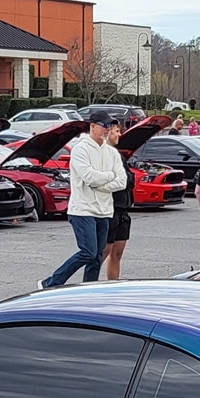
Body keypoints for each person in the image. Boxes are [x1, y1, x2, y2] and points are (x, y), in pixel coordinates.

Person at [40, 118, 126, 288]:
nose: (107, 129)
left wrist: (101, 184)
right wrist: (110, 176)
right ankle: (51, 282)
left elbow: (122, 181)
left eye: (109, 126)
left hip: (104, 210)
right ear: (92, 126)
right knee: (88, 252)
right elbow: (89, 177)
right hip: (82, 209)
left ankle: (89, 289)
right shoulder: (80, 149)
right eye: (104, 125)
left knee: (97, 256)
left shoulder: (112, 152)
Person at [102, 123, 136, 279]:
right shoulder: (103, 154)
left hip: (123, 209)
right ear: (108, 132)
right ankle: (89, 282)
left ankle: (113, 285)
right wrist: (125, 178)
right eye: (117, 131)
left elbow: (129, 178)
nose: (119, 135)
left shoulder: (118, 154)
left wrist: (126, 178)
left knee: (117, 253)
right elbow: (122, 178)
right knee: (104, 251)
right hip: (111, 209)